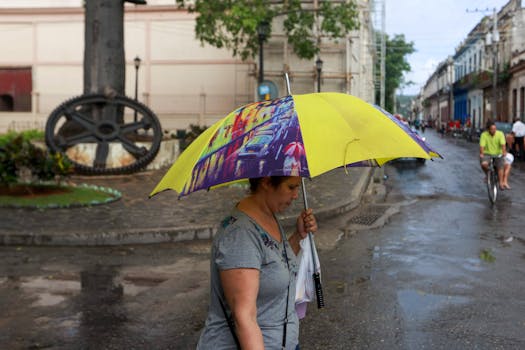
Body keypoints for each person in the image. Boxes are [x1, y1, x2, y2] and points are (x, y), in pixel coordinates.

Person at [196, 176, 318, 350]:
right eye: (291, 187)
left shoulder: (267, 216)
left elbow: (275, 263)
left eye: (298, 187)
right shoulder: (240, 235)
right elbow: (244, 318)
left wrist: (299, 235)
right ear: (267, 182)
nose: (296, 195)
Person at [479, 120, 507, 190]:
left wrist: (504, 152)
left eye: (495, 129)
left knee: (500, 167)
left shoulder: (500, 134)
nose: (494, 130)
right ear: (488, 129)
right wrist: (482, 153)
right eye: (492, 129)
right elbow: (482, 146)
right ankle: (488, 174)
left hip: (498, 154)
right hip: (487, 154)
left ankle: (500, 183)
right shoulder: (484, 135)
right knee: (483, 164)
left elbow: (503, 145)